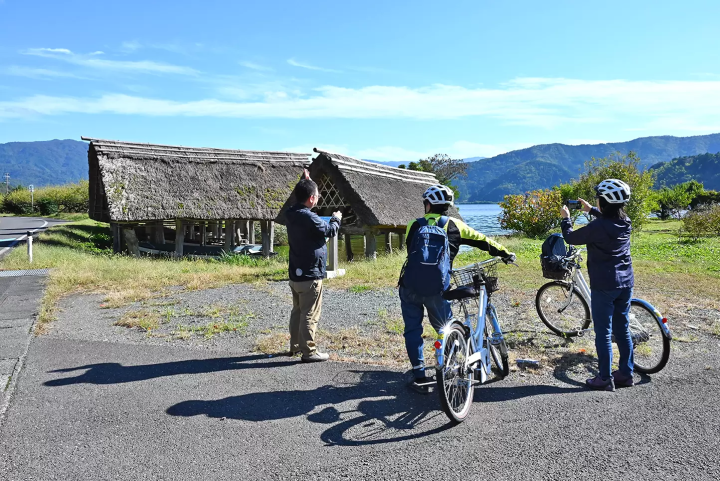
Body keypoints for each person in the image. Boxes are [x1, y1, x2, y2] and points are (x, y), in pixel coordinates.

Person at [398, 184, 515, 393]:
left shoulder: (413, 225)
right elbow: (483, 240)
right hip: (437, 288)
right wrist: (505, 253)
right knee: (445, 328)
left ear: (428, 204)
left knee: (413, 329)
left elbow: (410, 252)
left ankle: (418, 373)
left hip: (410, 285)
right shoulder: (456, 226)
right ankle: (450, 367)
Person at [561, 178, 635, 392]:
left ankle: (604, 378)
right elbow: (608, 221)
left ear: (604, 201)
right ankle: (625, 374)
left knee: (603, 332)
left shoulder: (597, 227)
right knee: (623, 330)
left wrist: (566, 219)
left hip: (604, 284)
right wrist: (592, 209)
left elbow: (570, 238)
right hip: (625, 283)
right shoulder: (625, 221)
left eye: (598, 199)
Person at [285, 178, 342, 362]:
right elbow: (330, 231)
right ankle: (309, 352)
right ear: (311, 198)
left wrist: (308, 182)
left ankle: (295, 346)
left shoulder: (291, 213)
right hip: (311, 274)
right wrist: (336, 219)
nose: (318, 198)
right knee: (310, 313)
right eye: (317, 196)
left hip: (296, 272)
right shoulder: (310, 217)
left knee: (297, 311)